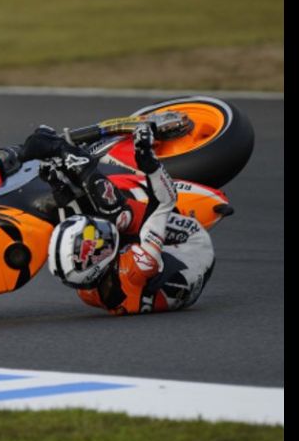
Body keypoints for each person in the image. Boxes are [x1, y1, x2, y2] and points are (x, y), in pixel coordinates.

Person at [18, 124, 215, 315]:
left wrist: (57, 184)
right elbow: (166, 201)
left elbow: (74, 220)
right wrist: (148, 159)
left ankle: (67, 164)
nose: (97, 230)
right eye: (96, 236)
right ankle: (77, 160)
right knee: (120, 217)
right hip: (193, 247)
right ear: (100, 260)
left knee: (94, 215)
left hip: (150, 282)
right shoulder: (138, 267)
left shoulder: (86, 290)